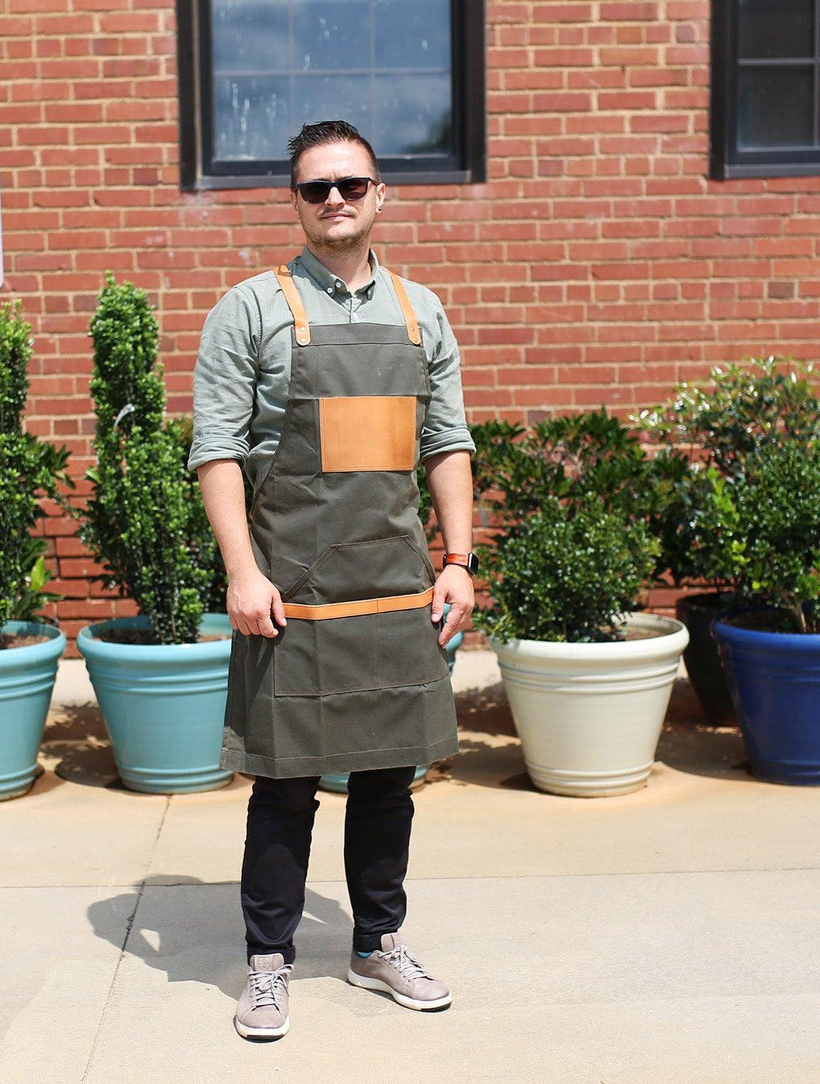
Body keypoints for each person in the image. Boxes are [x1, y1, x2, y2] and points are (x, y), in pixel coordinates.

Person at [188, 119, 477, 1041]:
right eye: (317, 188)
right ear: (296, 202)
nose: (335, 200)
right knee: (284, 785)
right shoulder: (249, 309)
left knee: (389, 783)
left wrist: (460, 560)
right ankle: (267, 964)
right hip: (292, 594)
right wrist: (241, 568)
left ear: (379, 193)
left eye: (351, 184)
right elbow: (218, 452)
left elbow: (447, 444)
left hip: (396, 588)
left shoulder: (421, 310)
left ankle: (375, 943)